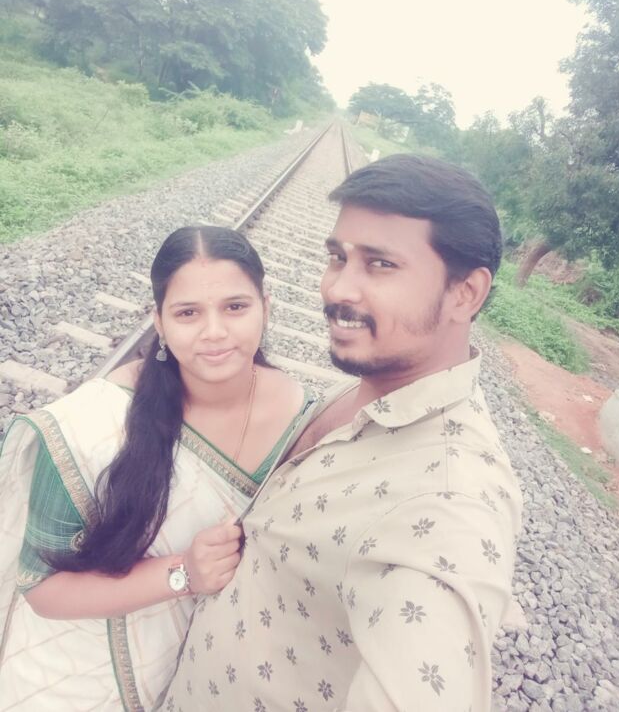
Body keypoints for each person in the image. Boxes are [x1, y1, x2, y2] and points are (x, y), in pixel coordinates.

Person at [160, 154, 523, 712]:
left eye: (380, 264)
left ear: (465, 294)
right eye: (338, 257)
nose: (338, 288)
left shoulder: (451, 502)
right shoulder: (372, 390)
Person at [0, 226, 312, 711]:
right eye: (188, 313)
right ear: (159, 323)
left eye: (235, 307)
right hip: (79, 678)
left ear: (266, 308)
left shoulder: (302, 412)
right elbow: (41, 587)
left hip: (212, 678)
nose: (214, 331)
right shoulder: (91, 423)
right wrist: (184, 573)